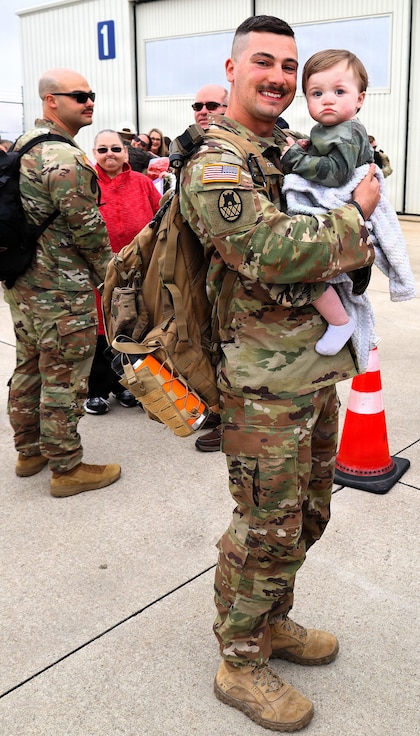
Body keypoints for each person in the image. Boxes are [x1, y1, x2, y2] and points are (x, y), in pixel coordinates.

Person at [179, 15, 379, 732]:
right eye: (262, 62)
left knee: (309, 512)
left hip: (309, 372)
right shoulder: (218, 164)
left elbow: (353, 161)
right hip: (260, 385)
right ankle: (240, 660)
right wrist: (358, 218)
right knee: (265, 525)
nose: (279, 77)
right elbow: (273, 250)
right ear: (232, 70)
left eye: (289, 66)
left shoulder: (286, 148)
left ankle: (273, 622)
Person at [3, 68, 121, 498]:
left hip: (22, 284)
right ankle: (67, 468)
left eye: (91, 94)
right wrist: (110, 275)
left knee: (30, 367)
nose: (89, 101)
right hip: (60, 289)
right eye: (78, 96)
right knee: (65, 376)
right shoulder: (64, 158)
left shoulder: (20, 147)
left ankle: (29, 452)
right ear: (51, 100)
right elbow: (88, 230)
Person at [279, 49, 374, 356]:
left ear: (359, 99)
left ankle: (340, 320)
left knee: (305, 268)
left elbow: (335, 173)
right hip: (342, 219)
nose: (327, 100)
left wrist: (295, 157)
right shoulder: (332, 129)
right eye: (316, 93)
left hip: (343, 210)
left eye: (339, 91)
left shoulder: (346, 132)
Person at [85, 129, 162, 415]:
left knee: (134, 327)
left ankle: (126, 386)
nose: (110, 155)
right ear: (94, 154)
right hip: (99, 272)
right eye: (103, 150)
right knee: (102, 330)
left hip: (138, 271)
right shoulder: (87, 185)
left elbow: (161, 217)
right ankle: (97, 391)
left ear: (126, 153)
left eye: (115, 149)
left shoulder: (143, 184)